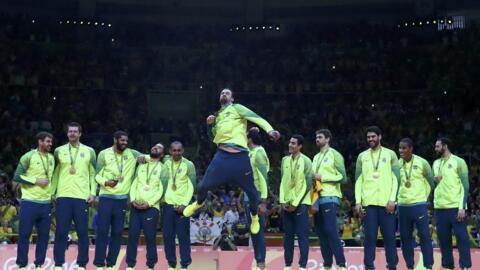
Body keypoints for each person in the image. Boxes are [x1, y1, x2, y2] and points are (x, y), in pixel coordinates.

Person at [183, 88, 280, 235]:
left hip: (240, 157)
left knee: (253, 194)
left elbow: (256, 117)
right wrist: (209, 125)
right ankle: (198, 203)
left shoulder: (237, 108)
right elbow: (212, 137)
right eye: (222, 93)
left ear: (232, 98)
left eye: (227, 93)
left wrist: (270, 130)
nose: (224, 94)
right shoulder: (218, 116)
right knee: (202, 186)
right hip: (222, 156)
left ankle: (254, 217)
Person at [93, 131, 143, 269]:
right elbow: (96, 175)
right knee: (102, 231)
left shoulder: (133, 153)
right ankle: (98, 264)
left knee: (117, 232)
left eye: (126, 141)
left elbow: (150, 157)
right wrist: (105, 182)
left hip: (122, 200)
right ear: (115, 140)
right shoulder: (103, 154)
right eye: (122, 140)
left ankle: (111, 264)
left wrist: (146, 157)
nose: (125, 143)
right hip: (106, 198)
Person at [51, 122, 97, 270]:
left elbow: (92, 173)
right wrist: (52, 192)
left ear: (80, 134)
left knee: (82, 232)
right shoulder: (59, 151)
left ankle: (82, 263)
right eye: (70, 131)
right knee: (61, 231)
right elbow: (56, 173)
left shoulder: (89, 151)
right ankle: (58, 263)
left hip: (81, 197)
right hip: (63, 196)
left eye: (75, 131)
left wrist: (93, 193)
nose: (72, 134)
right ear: (67, 134)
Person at [354, 126, 399, 270]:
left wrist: (393, 200)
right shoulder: (362, 156)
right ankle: (369, 267)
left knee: (390, 238)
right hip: (369, 205)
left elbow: (396, 178)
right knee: (369, 238)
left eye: (373, 136)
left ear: (380, 137)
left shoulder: (391, 154)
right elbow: (358, 180)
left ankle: (392, 266)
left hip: (387, 204)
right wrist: (358, 202)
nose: (371, 139)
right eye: (368, 137)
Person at [13, 132, 55, 269]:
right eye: (48, 141)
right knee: (24, 235)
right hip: (29, 202)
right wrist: (36, 181)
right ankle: (22, 265)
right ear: (40, 141)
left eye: (51, 142)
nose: (50, 144)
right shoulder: (28, 156)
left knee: (43, 237)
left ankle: (38, 265)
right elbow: (17, 176)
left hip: (46, 204)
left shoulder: (52, 158)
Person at [311, 129, 347, 270]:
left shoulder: (335, 154)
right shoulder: (315, 157)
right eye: (316, 137)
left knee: (330, 230)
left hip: (330, 196)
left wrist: (323, 178)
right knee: (320, 232)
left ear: (327, 139)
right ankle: (327, 265)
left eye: (320, 137)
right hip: (316, 197)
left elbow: (343, 177)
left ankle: (342, 264)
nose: (317, 139)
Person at [433, 137, 471, 270]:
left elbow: (465, 186)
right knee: (444, 241)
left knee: (462, 238)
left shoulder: (459, 162)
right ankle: (448, 266)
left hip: (455, 207)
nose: (435, 149)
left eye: (438, 146)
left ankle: (465, 266)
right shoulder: (436, 163)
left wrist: (462, 207)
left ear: (445, 146)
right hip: (440, 208)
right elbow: (436, 185)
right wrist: (435, 181)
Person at [126, 143, 165, 270]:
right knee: (132, 236)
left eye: (158, 148)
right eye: (154, 146)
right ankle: (130, 265)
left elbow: (161, 189)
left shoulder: (163, 168)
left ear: (162, 154)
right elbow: (135, 183)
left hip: (151, 208)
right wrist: (132, 200)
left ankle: (151, 265)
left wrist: (150, 203)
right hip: (135, 207)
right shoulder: (142, 165)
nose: (155, 148)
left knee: (150, 237)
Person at [397, 138, 434, 270]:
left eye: (404, 148)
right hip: (402, 206)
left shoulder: (422, 162)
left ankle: (428, 265)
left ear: (411, 148)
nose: (401, 151)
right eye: (400, 148)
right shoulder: (396, 164)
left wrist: (424, 199)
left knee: (424, 236)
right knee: (405, 238)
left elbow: (431, 182)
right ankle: (410, 266)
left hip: (419, 205)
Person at [161, 141, 196, 270]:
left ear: (182, 151)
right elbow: (151, 156)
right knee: (168, 236)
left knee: (183, 236)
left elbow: (192, 186)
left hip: (183, 206)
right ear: (170, 151)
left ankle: (185, 264)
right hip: (168, 205)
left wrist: (185, 204)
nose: (176, 153)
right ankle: (171, 264)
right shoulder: (165, 162)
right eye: (174, 150)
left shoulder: (189, 165)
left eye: (179, 150)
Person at [280, 135, 312, 270]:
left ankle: (303, 266)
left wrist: (295, 203)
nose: (290, 145)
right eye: (290, 142)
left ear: (300, 146)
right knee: (288, 236)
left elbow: (308, 183)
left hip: (301, 204)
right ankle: (287, 265)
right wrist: (282, 201)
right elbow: (283, 182)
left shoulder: (306, 161)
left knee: (302, 236)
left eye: (293, 143)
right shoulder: (284, 160)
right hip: (286, 204)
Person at [245, 127, 270, 270]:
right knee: (253, 231)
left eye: (246, 136)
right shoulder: (250, 151)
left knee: (258, 231)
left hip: (257, 197)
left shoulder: (259, 153)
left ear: (250, 139)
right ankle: (258, 260)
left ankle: (261, 263)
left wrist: (263, 201)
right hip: (248, 196)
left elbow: (263, 178)